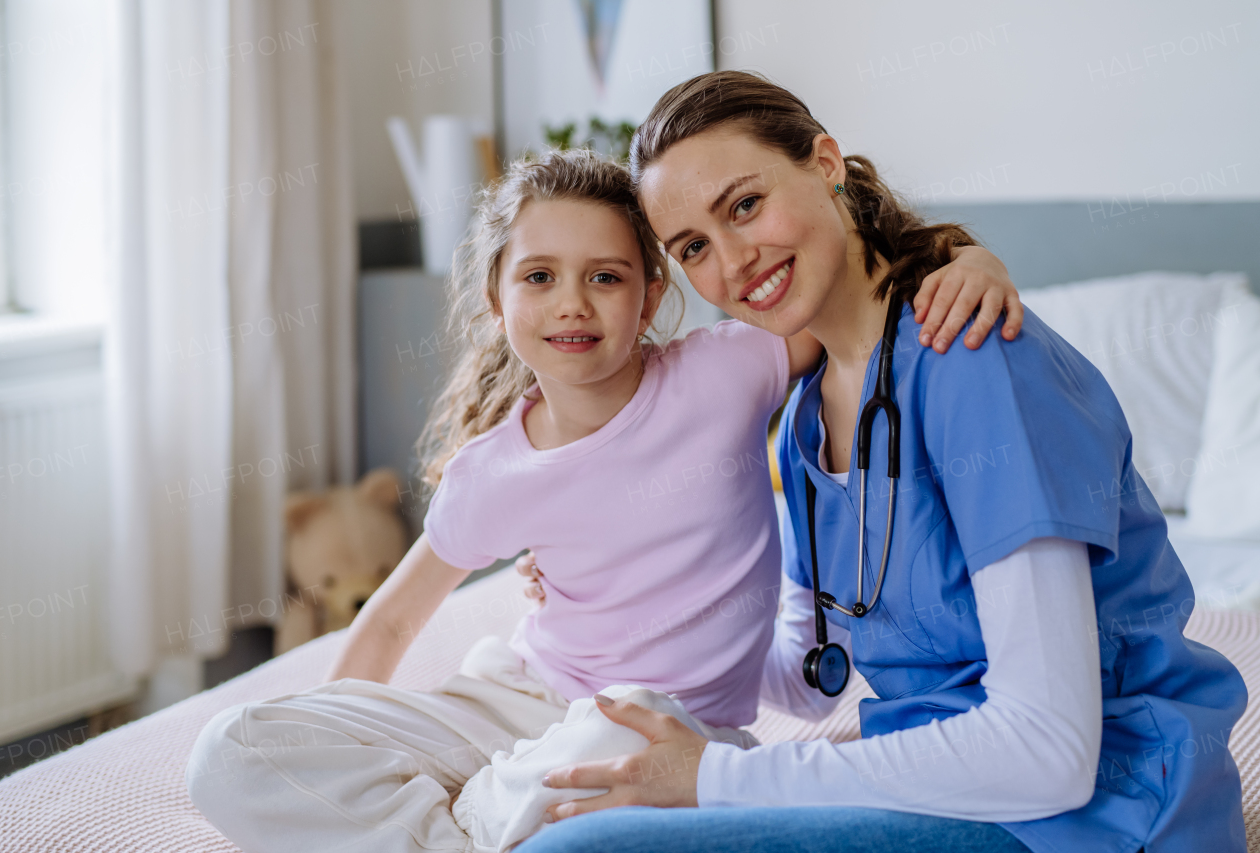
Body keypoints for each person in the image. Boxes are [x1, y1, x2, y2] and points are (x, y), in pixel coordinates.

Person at [184, 147, 1025, 853]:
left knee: (626, 725)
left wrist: (966, 262)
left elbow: (863, 301)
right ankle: (470, 826)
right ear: (497, 299)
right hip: (509, 701)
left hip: (663, 734)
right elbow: (394, 621)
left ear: (651, 296)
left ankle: (479, 813)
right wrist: (344, 734)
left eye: (607, 277)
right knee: (233, 748)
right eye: (540, 276)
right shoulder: (493, 471)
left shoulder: (727, 371)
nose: (572, 304)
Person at [525, 71, 1249, 853]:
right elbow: (809, 682)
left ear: (826, 162)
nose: (733, 260)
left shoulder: (972, 355)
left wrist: (714, 779)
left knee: (576, 848)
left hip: (1095, 814)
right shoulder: (806, 420)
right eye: (694, 247)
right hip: (944, 793)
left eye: (745, 205)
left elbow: (1050, 751)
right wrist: (619, 589)